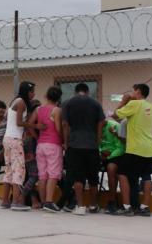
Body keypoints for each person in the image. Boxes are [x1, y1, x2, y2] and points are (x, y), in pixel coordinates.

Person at [112, 84, 152, 217]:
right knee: (146, 176)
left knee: (122, 173)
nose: (132, 92)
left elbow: (115, 116)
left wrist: (124, 101)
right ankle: (145, 207)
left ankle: (127, 207)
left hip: (135, 148)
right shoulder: (150, 106)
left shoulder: (134, 104)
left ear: (138, 91)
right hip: (149, 148)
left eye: (133, 90)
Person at [61, 83, 105, 215]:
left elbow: (65, 124)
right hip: (91, 145)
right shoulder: (95, 103)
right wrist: (98, 140)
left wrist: (65, 142)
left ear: (76, 91)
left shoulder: (67, 103)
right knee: (93, 177)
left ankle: (80, 206)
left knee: (78, 177)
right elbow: (101, 122)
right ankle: (92, 205)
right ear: (87, 91)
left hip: (75, 144)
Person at [0, 81, 35, 211]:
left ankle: (5, 201)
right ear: (27, 91)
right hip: (15, 139)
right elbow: (19, 122)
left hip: (7, 139)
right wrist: (34, 125)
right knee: (19, 170)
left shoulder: (14, 101)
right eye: (32, 92)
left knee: (9, 169)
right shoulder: (21, 103)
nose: (33, 94)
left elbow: (7, 118)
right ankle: (16, 201)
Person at [33, 86, 64, 213]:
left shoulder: (38, 109)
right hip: (53, 145)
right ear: (59, 97)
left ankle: (42, 201)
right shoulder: (57, 110)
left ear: (46, 96)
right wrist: (63, 140)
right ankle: (49, 201)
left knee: (42, 175)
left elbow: (30, 124)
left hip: (40, 145)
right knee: (53, 173)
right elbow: (58, 128)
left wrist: (37, 136)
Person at [100, 117, 126, 214]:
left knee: (111, 169)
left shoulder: (115, 126)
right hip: (101, 155)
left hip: (115, 155)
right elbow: (97, 144)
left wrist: (109, 156)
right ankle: (92, 204)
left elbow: (120, 147)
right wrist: (100, 153)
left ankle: (112, 201)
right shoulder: (96, 127)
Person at [22, 100, 41, 209]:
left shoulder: (25, 118)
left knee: (31, 175)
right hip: (31, 146)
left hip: (26, 146)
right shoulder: (32, 120)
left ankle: (33, 199)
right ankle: (21, 197)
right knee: (34, 175)